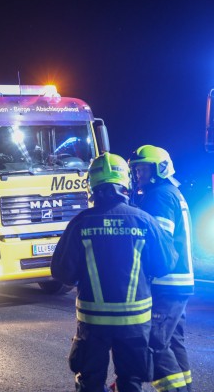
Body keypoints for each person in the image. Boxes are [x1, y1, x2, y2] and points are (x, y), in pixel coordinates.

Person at [51, 152, 177, 392]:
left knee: (90, 382)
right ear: (125, 183)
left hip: (92, 323)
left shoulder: (80, 222)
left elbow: (61, 272)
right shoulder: (144, 220)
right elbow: (165, 265)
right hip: (135, 322)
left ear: (91, 185)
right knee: (130, 382)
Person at [129, 145, 195, 392]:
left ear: (160, 169)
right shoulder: (171, 192)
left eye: (143, 169)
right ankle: (185, 388)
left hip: (167, 284)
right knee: (174, 341)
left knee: (154, 341)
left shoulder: (159, 196)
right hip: (178, 284)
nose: (138, 175)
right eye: (136, 170)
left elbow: (158, 242)